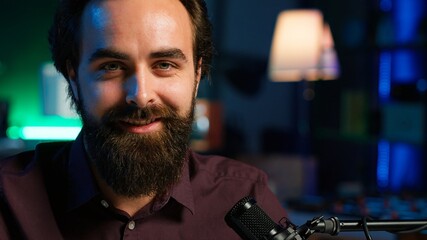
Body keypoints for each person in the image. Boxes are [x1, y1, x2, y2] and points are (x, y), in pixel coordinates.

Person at [0, 0, 287, 239]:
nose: (140, 95)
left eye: (164, 65)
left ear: (197, 75)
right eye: (111, 66)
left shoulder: (246, 197)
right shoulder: (7, 202)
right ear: (73, 77)